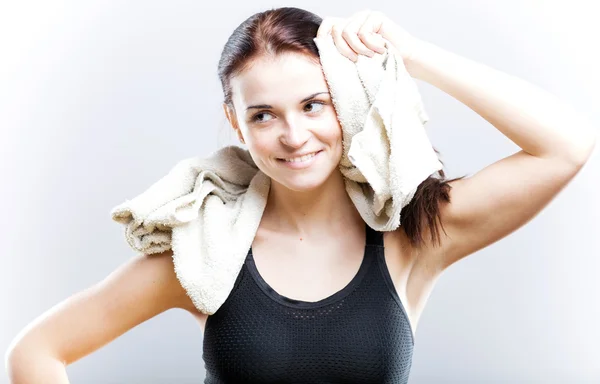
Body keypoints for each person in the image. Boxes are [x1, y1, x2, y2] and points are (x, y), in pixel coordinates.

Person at [6, 7, 596, 384]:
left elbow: (565, 146)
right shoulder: (207, 253)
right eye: (263, 114)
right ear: (236, 125)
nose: (293, 135)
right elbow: (36, 353)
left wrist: (411, 56)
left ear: (348, 100)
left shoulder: (410, 236)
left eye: (314, 104)